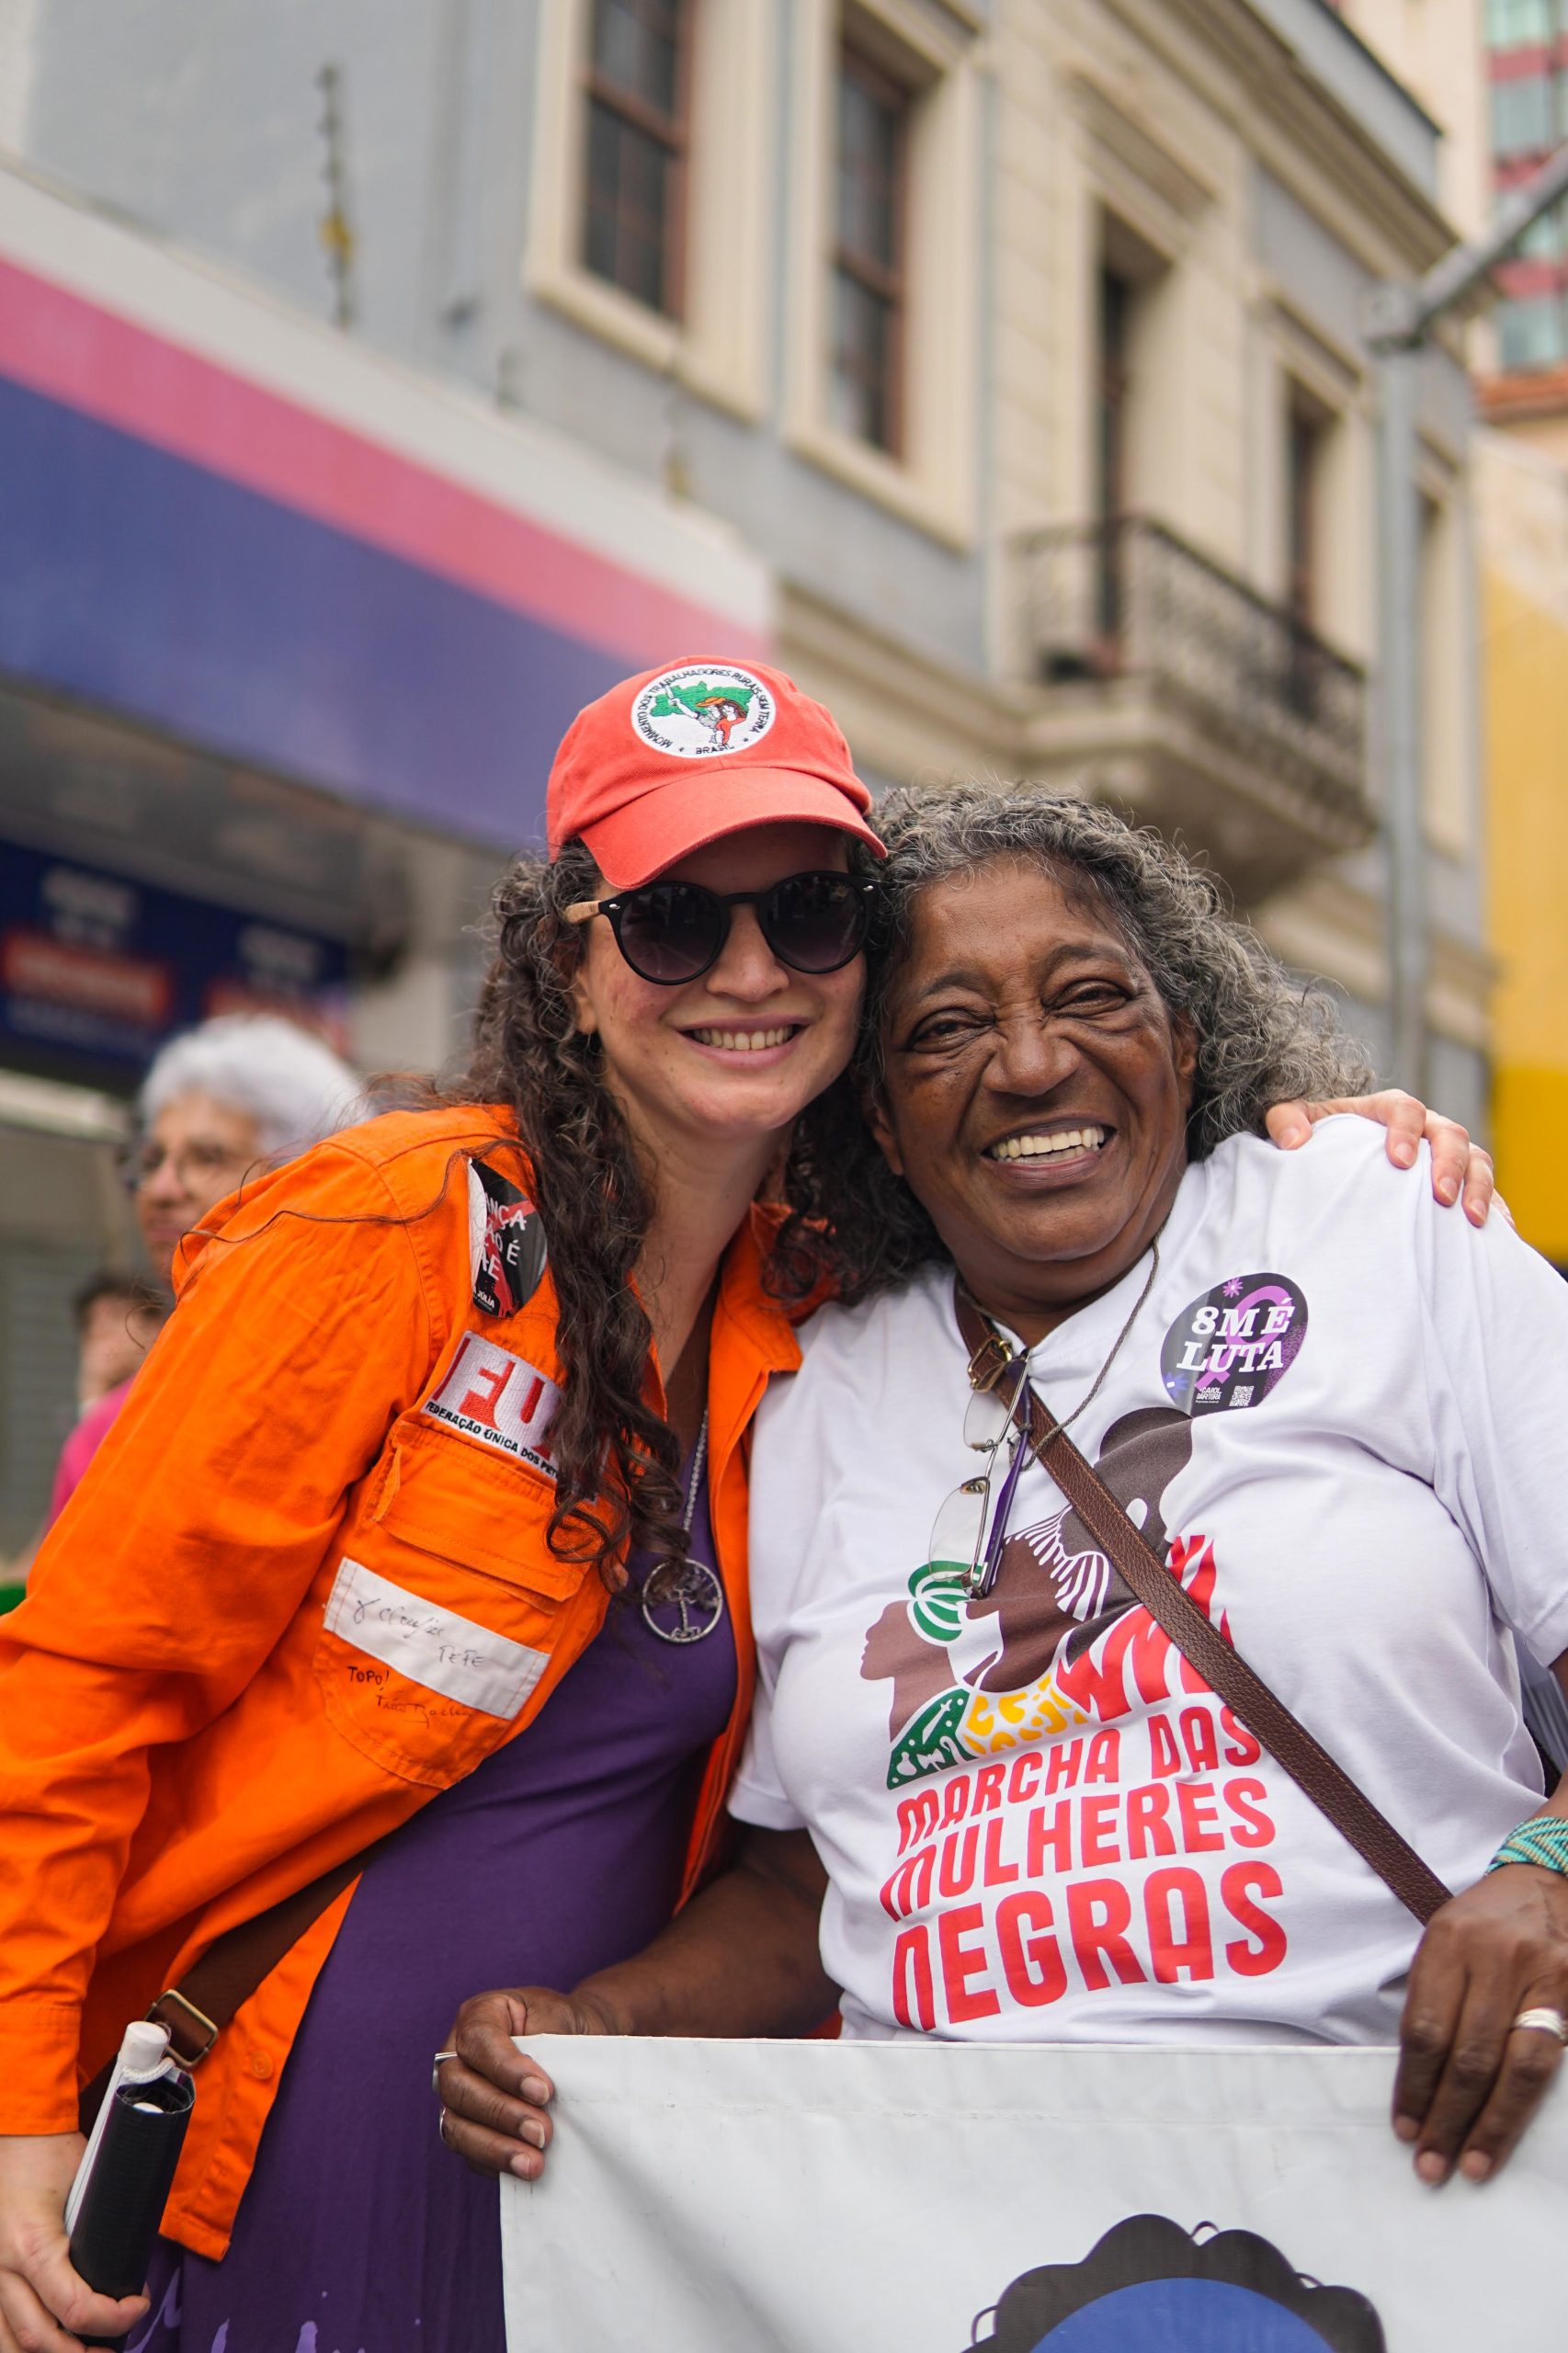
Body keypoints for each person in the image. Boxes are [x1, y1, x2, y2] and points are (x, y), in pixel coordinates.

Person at [0, 665, 1485, 2353]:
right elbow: (74, 1696)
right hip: (277, 2159)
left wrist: (1304, 1161)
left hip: (606, 2186)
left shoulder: (828, 1310)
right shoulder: (391, 1230)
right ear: (569, 965)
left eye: (808, 912)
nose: (752, 970)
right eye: (673, 921)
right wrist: (16, 2126)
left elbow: (1089, 1142)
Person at [439, 782, 1568, 2215]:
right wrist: (597, 2027)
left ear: (1184, 1039)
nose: (1031, 1064)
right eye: (945, 1030)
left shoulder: (1372, 1218)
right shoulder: (813, 1387)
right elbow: (807, 1883)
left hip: (1411, 2173)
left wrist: (1547, 1876)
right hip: (958, 2221)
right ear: (878, 1121)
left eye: (1091, 996)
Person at [46, 1015, 362, 1526]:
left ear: (311, 1181)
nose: (160, 1189)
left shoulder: (371, 1400)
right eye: (152, 1160)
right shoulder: (106, 1431)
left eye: (208, 1157)